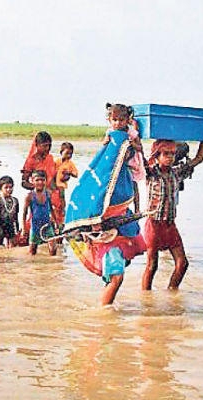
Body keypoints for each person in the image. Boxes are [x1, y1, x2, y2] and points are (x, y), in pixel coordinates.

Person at [64, 114, 147, 306]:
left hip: (120, 233)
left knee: (115, 277)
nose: (126, 155)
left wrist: (137, 211)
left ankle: (105, 307)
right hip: (105, 237)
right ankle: (105, 314)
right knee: (116, 277)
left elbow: (134, 193)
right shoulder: (102, 180)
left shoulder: (125, 179)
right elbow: (90, 205)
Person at [142, 139, 203, 290]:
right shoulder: (151, 173)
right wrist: (135, 139)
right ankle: (146, 297)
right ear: (157, 156)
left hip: (170, 225)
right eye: (166, 154)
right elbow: (139, 159)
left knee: (182, 263)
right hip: (154, 225)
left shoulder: (176, 172)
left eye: (172, 154)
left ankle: (172, 290)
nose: (170, 157)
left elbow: (198, 159)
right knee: (152, 265)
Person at [102, 103, 145, 213]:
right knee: (112, 183)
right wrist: (106, 141)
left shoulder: (131, 132)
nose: (117, 123)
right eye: (114, 120)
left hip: (130, 163)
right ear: (109, 120)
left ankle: (137, 209)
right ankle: (111, 206)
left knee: (133, 184)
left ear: (127, 120)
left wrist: (132, 143)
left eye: (121, 120)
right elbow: (104, 145)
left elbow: (140, 147)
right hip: (116, 162)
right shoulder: (110, 132)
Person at [20, 131, 61, 243]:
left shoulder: (50, 158)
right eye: (44, 146)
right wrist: (37, 187)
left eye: (49, 145)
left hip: (51, 196)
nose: (47, 148)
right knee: (35, 225)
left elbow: (52, 179)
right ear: (37, 146)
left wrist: (58, 196)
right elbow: (23, 182)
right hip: (37, 197)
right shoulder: (31, 161)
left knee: (56, 229)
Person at [22, 170, 59, 255]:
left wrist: (56, 223)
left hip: (47, 225)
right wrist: (24, 228)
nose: (40, 182)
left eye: (42, 180)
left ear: (46, 181)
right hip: (35, 227)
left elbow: (51, 209)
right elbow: (24, 213)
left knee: (53, 250)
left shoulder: (48, 194)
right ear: (32, 181)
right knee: (32, 252)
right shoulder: (29, 196)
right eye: (37, 180)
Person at [54, 142, 79, 226]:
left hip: (61, 184)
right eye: (67, 153)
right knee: (54, 201)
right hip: (54, 184)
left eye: (71, 154)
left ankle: (63, 210)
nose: (69, 156)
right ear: (61, 152)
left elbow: (76, 174)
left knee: (61, 196)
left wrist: (69, 172)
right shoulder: (57, 161)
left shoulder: (70, 163)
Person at [0, 175, 20, 248]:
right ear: (1, 188)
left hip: (11, 227)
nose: (9, 189)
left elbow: (16, 217)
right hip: (1, 227)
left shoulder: (15, 201)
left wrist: (17, 230)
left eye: (10, 187)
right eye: (6, 187)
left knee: (12, 247)